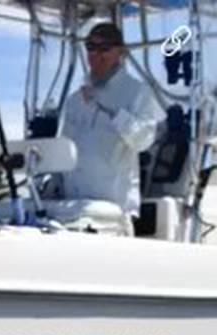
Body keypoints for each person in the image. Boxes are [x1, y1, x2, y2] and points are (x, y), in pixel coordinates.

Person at [58, 22, 164, 231]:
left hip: (114, 215)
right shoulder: (74, 100)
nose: (96, 54)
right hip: (72, 210)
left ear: (120, 52)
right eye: (90, 47)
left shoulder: (137, 92)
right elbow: (63, 149)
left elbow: (143, 140)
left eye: (104, 47)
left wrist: (111, 110)